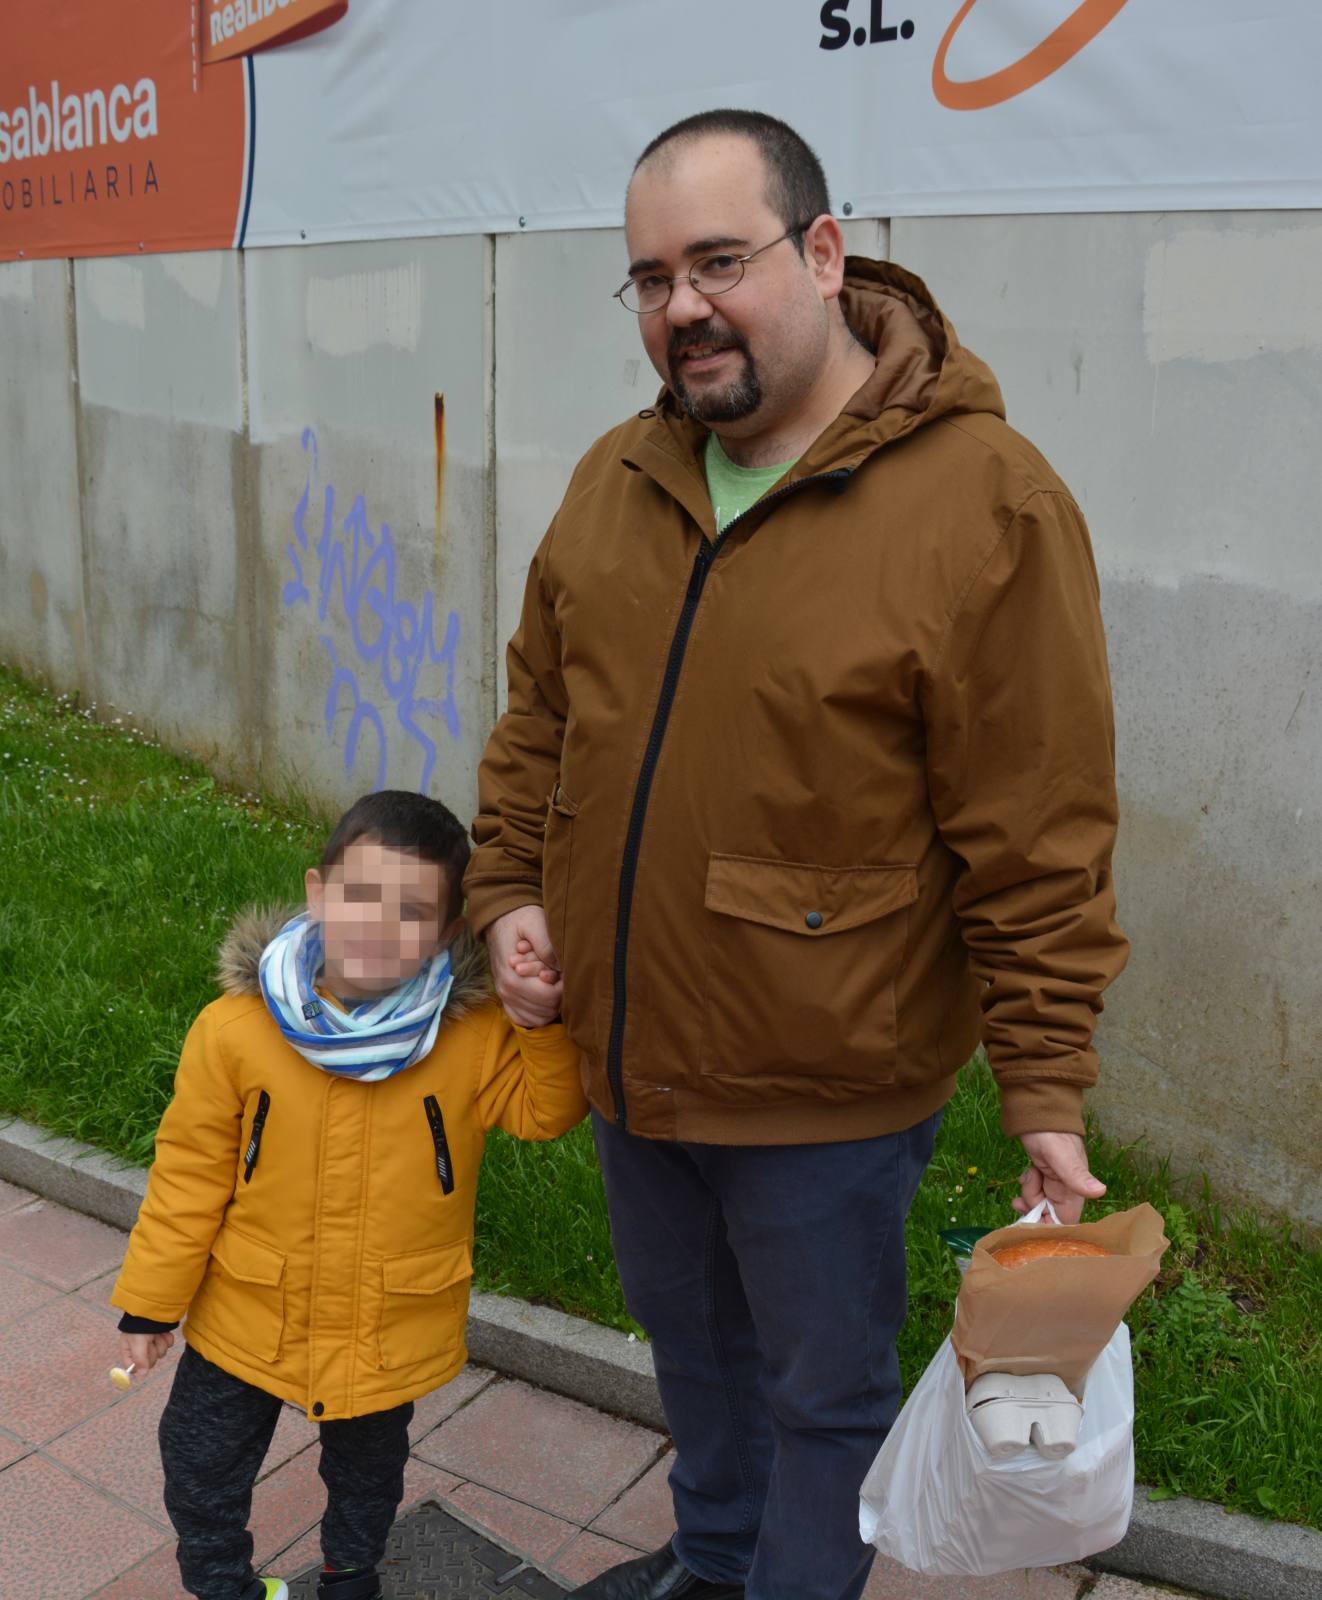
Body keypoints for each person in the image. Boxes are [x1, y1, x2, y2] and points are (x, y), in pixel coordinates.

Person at [464, 108, 1129, 1600]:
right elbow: (535, 725)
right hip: (633, 1066)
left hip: (827, 1096)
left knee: (817, 1403)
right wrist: (507, 892)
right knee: (691, 1365)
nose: (680, 306)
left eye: (717, 261)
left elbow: (1038, 837)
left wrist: (1042, 1081)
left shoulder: (986, 505)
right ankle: (709, 1568)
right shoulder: (616, 479)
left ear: (823, 255)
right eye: (648, 278)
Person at [111, 790, 587, 1600]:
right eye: (358, 896)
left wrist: (538, 1023)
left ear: (447, 935)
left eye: (410, 912)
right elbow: (189, 1172)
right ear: (317, 891)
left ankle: (350, 1577)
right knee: (198, 1459)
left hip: (386, 1319)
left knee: (368, 1476)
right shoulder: (236, 1029)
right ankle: (222, 1583)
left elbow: (545, 1113)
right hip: (249, 1310)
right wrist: (152, 1305)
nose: (375, 925)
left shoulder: (466, 1037)